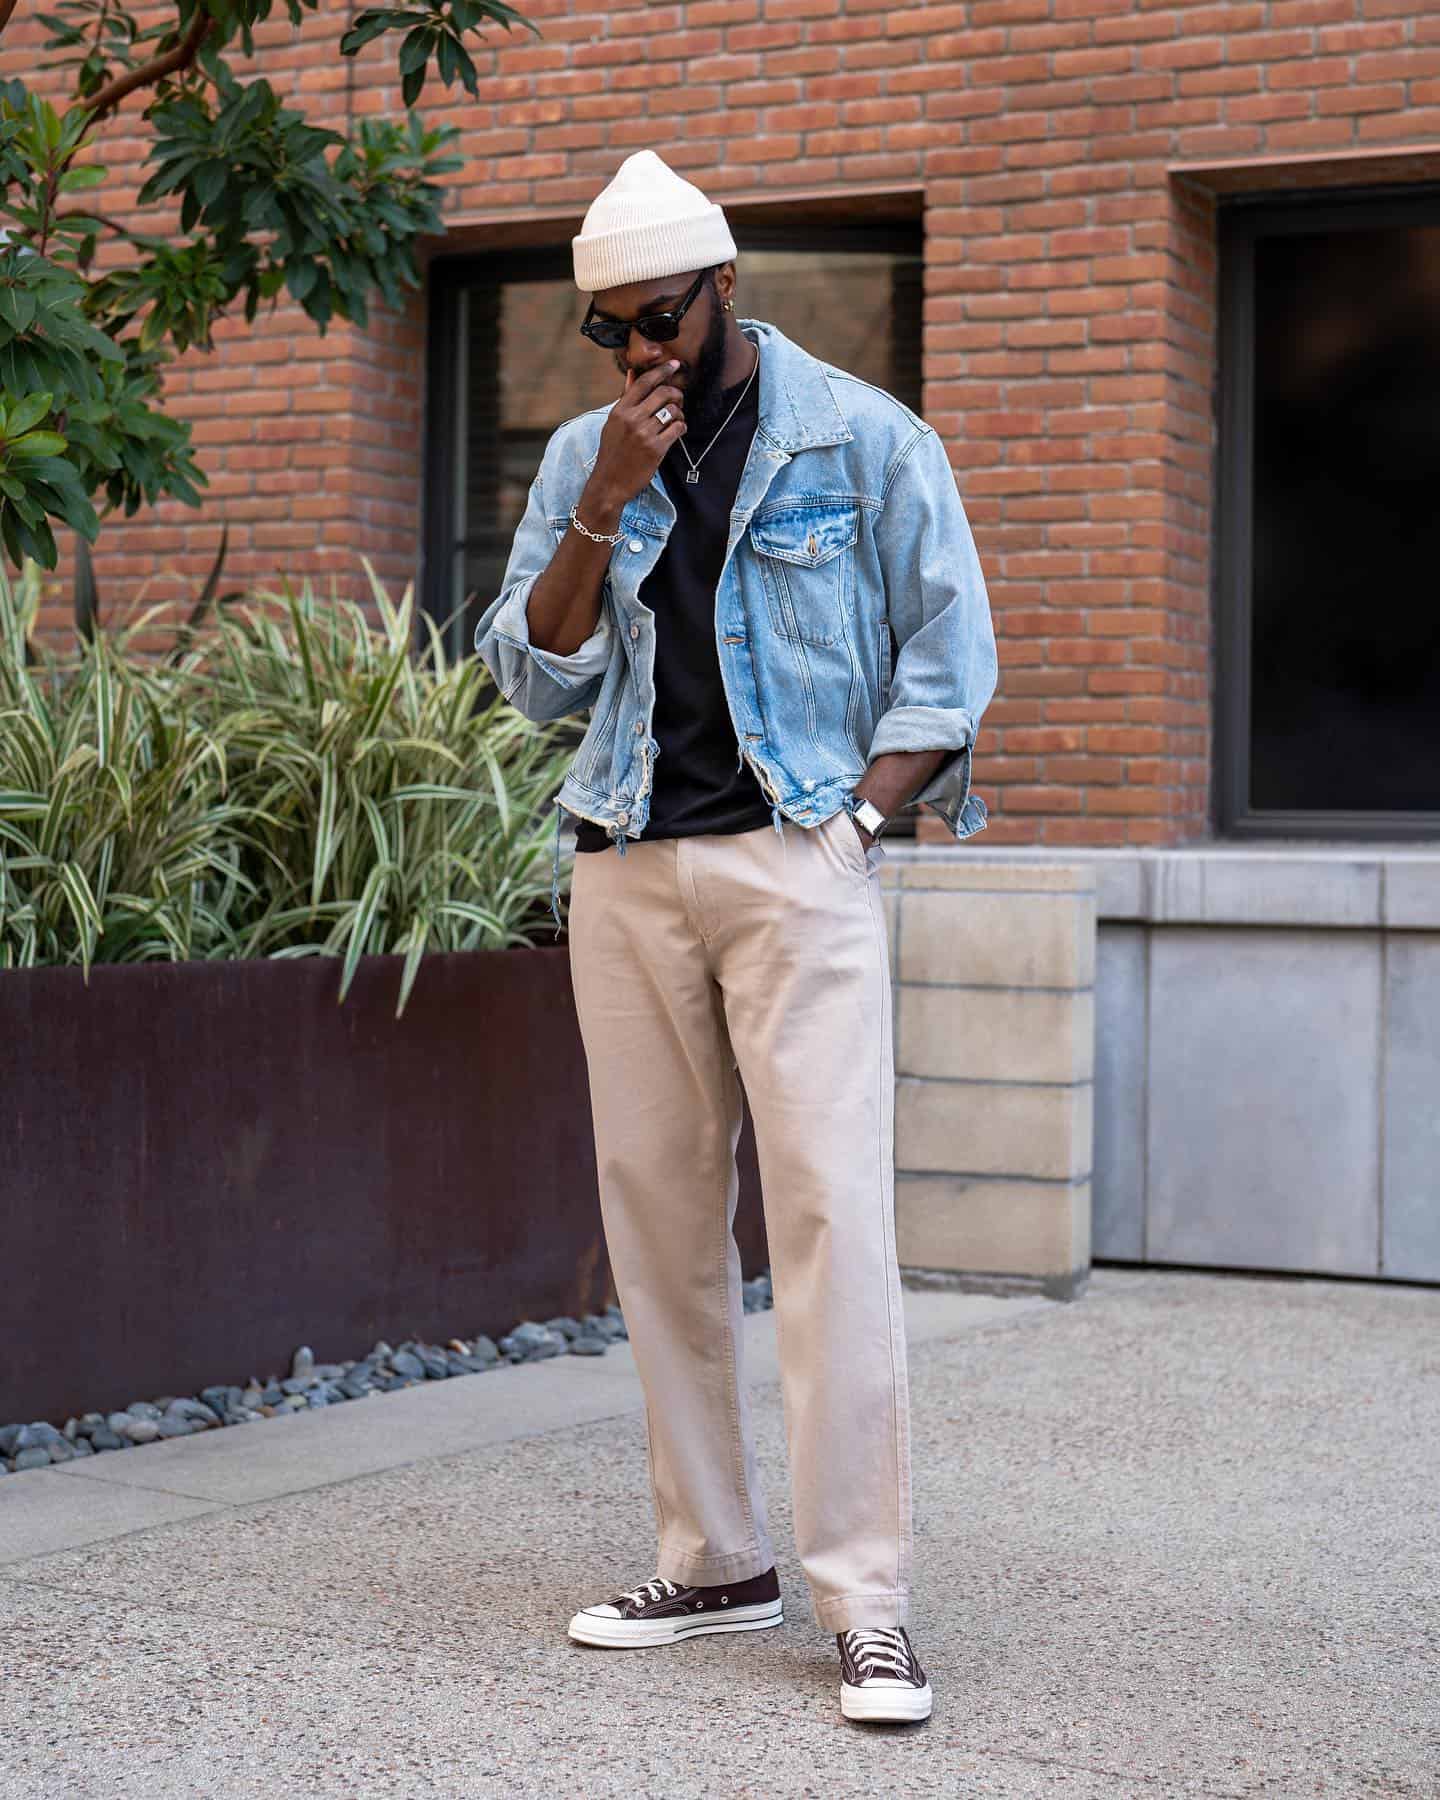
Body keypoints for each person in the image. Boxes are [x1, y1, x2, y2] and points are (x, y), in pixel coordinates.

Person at [474, 149, 997, 1727]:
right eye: (606, 330)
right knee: (659, 1222)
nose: (635, 352)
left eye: (657, 318)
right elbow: (532, 672)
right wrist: (604, 507)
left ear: (720, 288)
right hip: (627, 865)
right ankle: (713, 1561)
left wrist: (856, 828)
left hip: (794, 863)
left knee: (834, 1220)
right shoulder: (589, 454)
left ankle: (870, 1601)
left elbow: (949, 663)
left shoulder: (862, 436)